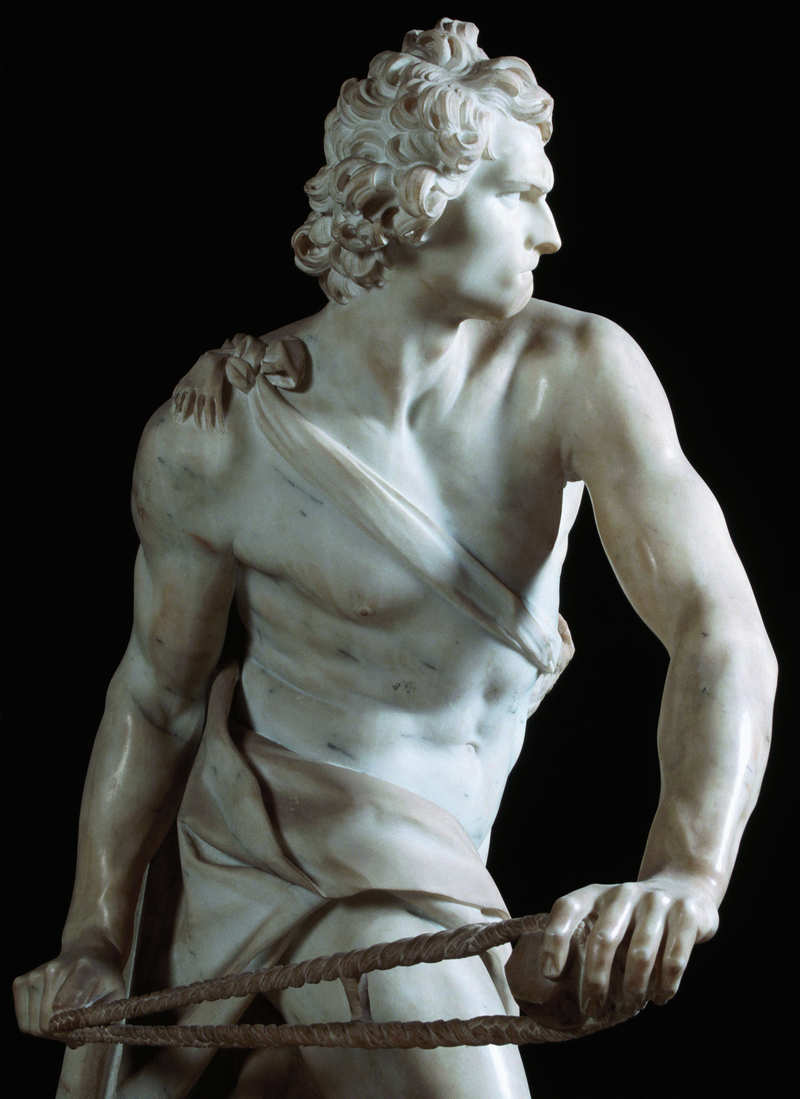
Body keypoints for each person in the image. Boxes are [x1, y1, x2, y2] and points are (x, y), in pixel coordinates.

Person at [13, 18, 776, 1099]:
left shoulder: (572, 375)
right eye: (519, 194)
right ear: (413, 198)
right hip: (284, 856)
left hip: (438, 876)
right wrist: (94, 935)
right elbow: (156, 696)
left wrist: (685, 873)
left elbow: (717, 626)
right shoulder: (219, 436)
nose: (551, 232)